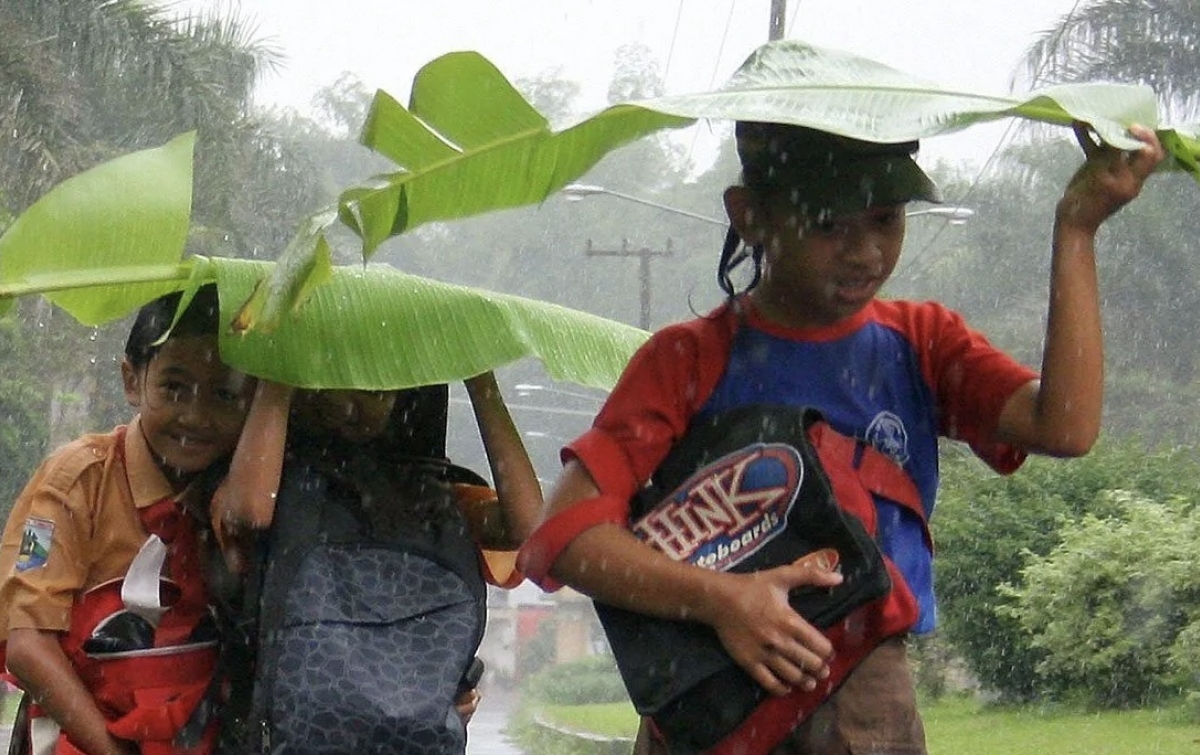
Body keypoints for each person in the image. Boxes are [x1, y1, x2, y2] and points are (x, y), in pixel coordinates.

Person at [516, 120, 1166, 754]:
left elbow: (1067, 425)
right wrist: (724, 601)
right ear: (749, 214)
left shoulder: (923, 343)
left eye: (886, 219)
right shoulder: (685, 361)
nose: (865, 253)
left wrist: (1077, 226)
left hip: (862, 689)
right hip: (709, 696)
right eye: (828, 224)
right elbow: (566, 533)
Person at [0, 284, 257, 755]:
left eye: (224, 394)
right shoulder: (76, 480)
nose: (195, 416)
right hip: (82, 740)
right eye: (174, 388)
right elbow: (27, 643)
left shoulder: (245, 493)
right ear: (131, 380)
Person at [209, 372, 543, 730]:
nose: (347, 403)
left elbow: (528, 529)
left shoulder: (432, 500)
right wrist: (279, 376)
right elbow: (250, 515)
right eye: (325, 384)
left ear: (405, 398)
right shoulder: (263, 485)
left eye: (374, 390)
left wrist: (481, 385)